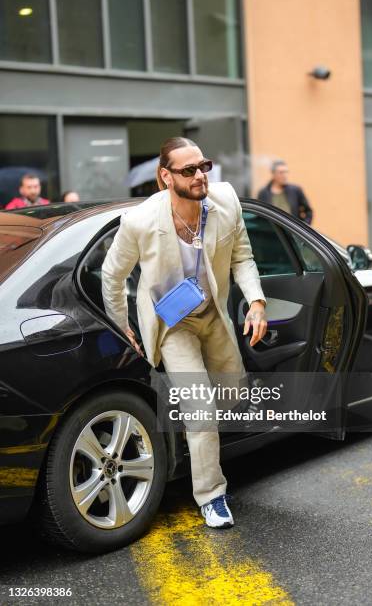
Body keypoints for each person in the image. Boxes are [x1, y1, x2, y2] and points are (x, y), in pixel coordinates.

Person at [101, 137, 267, 529]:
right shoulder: (140, 222)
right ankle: (211, 495)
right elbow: (112, 275)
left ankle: (198, 434)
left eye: (203, 166)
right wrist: (122, 323)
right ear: (165, 176)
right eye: (188, 170)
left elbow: (242, 256)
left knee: (233, 393)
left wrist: (257, 302)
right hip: (172, 324)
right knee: (201, 411)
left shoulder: (226, 203)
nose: (199, 176)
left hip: (213, 314)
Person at [257, 159, 313, 224]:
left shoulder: (295, 190)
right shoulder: (264, 193)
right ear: (273, 174)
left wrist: (304, 227)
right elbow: (259, 216)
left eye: (286, 172)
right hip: (271, 232)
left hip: (292, 232)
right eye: (281, 172)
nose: (285, 175)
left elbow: (308, 212)